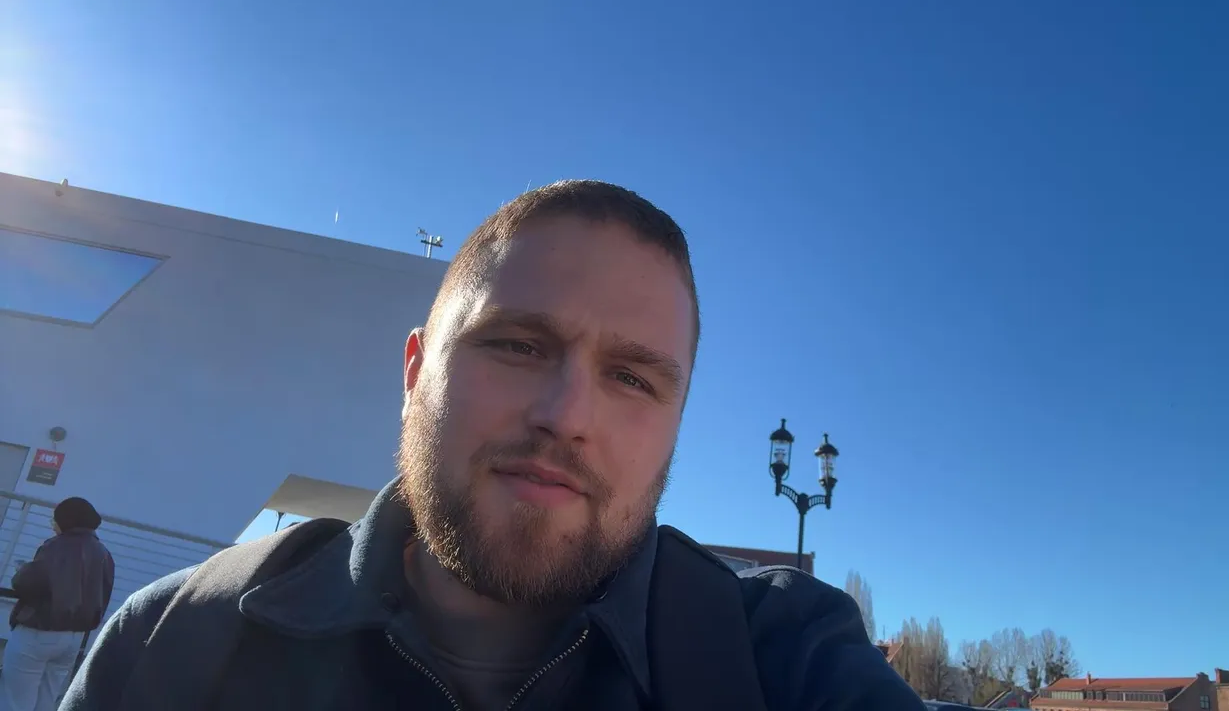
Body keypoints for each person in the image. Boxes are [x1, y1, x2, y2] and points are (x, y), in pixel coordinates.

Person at [63, 181, 924, 710]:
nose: (566, 414)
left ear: (677, 422)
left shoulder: (784, 658)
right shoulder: (174, 642)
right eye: (517, 345)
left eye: (633, 378)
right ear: (414, 372)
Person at [2, 497, 113, 711]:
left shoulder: (56, 546)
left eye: (55, 519)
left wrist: (22, 570)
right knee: (47, 699)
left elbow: (27, 583)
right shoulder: (103, 553)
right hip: (73, 636)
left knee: (15, 700)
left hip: (39, 630)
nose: (53, 525)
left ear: (67, 520)